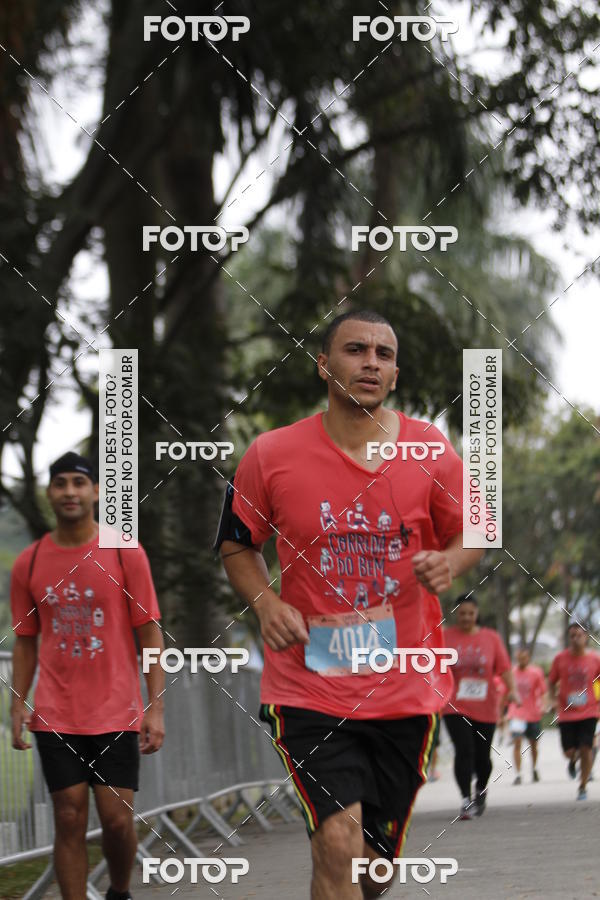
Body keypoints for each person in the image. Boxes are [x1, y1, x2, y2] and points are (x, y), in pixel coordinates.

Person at [215, 310, 484, 899]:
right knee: (336, 843)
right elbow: (236, 543)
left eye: (384, 355)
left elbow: (477, 529)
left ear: (394, 374)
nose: (370, 362)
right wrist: (266, 604)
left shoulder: (430, 449)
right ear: (323, 365)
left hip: (404, 687)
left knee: (373, 869)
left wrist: (451, 561)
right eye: (355, 349)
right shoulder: (271, 453)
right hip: (308, 686)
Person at [10, 452, 165, 900]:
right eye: (60, 483)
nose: (70, 492)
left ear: (96, 492)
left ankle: (119, 890)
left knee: (116, 820)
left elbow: (149, 633)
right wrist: (18, 702)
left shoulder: (124, 551)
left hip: (116, 709)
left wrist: (155, 707)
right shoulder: (30, 562)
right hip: (56, 712)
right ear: (50, 493)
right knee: (69, 815)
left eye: (79, 483)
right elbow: (25, 640)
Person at [443, 596, 516, 820]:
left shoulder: (491, 638)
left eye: (470, 613)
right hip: (454, 704)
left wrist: (513, 690)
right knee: (464, 750)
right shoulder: (445, 637)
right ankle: (465, 800)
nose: (466, 617)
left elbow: (504, 669)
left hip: (485, 706)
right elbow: (433, 667)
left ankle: (481, 788)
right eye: (462, 613)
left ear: (477, 614)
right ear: (456, 614)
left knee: (482, 757)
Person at [548, 622, 600, 800]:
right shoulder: (560, 659)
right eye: (572, 636)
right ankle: (573, 760)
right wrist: (552, 700)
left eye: (579, 635)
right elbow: (551, 682)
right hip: (566, 712)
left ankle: (583, 786)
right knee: (569, 751)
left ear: (586, 637)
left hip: (589, 711)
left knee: (586, 748)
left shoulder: (595, 659)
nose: (575, 639)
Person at [507, 646, 547, 784]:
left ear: (528, 658)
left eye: (524, 658)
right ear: (516, 658)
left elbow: (543, 692)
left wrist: (543, 705)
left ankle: (534, 768)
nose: (522, 660)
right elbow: (505, 692)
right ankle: (518, 774)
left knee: (533, 745)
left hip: (533, 714)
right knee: (517, 743)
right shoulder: (511, 673)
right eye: (520, 658)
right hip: (516, 713)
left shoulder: (536, 673)